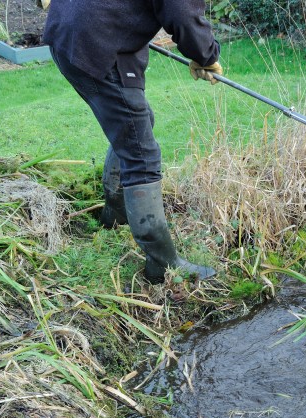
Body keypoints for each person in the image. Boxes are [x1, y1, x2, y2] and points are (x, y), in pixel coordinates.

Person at [42, 0, 223, 283]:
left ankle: (115, 213)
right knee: (141, 153)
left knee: (134, 128)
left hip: (73, 31)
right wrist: (206, 55)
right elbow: (181, 11)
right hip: (93, 44)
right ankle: (163, 265)